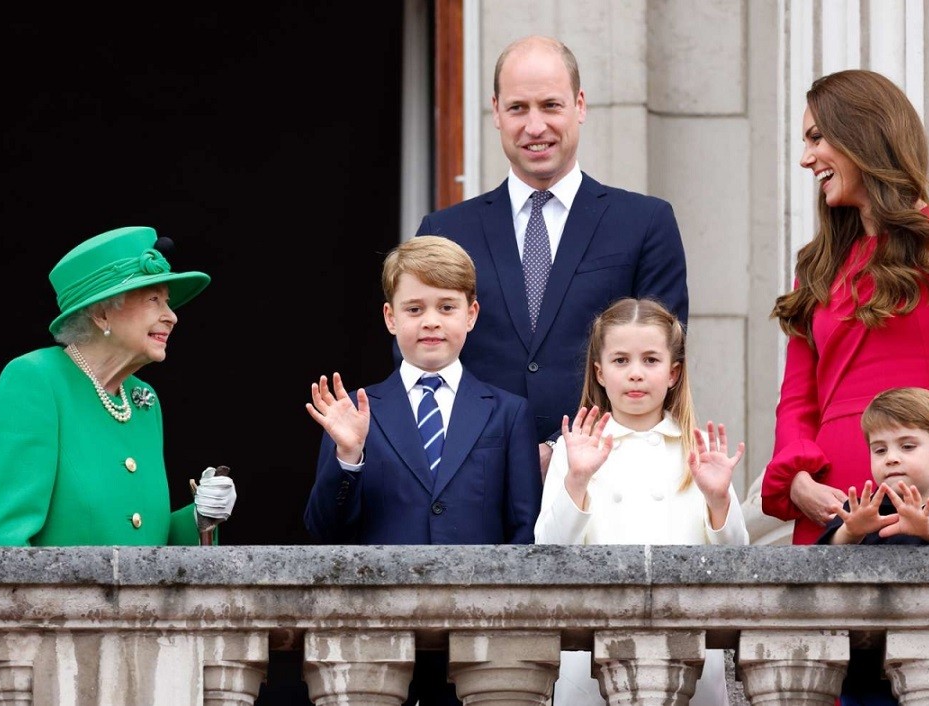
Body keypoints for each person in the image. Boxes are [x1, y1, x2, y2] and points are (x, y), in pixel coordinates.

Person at [413, 35, 689, 480]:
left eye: (550, 105)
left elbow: (662, 357)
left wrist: (562, 452)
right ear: (496, 112)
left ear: (579, 105)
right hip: (477, 481)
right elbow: (420, 364)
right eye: (518, 108)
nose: (535, 126)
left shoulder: (645, 223)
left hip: (609, 478)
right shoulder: (445, 232)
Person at [760, 68, 929, 545]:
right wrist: (797, 481)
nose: (806, 158)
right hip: (833, 508)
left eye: (817, 137)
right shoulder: (817, 266)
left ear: (862, 133)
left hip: (915, 504)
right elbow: (796, 401)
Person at [303, 235, 542, 706]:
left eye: (446, 307)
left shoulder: (508, 412)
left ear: (471, 315)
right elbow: (324, 530)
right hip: (378, 632)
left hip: (478, 636)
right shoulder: (355, 411)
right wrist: (348, 455)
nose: (431, 320)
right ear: (390, 317)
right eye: (414, 309)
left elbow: (523, 531)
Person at [535, 297, 748, 706]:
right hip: (593, 655)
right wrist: (577, 479)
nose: (635, 373)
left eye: (650, 360)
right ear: (600, 371)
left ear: (673, 372)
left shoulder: (696, 449)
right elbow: (548, 553)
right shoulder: (574, 449)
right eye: (621, 360)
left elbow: (738, 558)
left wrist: (719, 499)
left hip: (687, 651)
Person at [0, 225, 236, 547]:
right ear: (102, 314)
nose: (171, 316)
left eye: (167, 301)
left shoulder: (144, 402)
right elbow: (7, 542)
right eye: (154, 299)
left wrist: (199, 519)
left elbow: (146, 543)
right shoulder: (36, 380)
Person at [817, 387, 929, 705]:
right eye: (879, 449)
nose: (891, 457)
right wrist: (850, 532)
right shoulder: (863, 512)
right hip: (864, 670)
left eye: (907, 446)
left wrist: (928, 529)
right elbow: (818, 560)